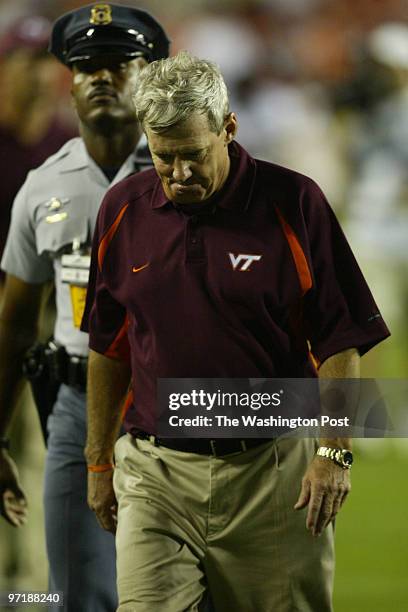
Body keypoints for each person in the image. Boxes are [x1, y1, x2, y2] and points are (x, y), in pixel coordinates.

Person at [82, 51, 390, 611]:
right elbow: (107, 344)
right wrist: (98, 459)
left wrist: (335, 454)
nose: (179, 175)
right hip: (155, 470)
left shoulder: (294, 202)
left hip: (272, 475)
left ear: (228, 129)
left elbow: (340, 338)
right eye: (162, 157)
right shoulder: (120, 211)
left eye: (194, 155)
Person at [0, 4, 169, 611]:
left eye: (119, 64)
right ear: (68, 83)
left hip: (174, 402)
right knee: (77, 595)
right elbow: (16, 323)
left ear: (151, 74)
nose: (101, 77)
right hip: (75, 407)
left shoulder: (193, 169)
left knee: (174, 595)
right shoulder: (44, 183)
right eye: (86, 66)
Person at [0, 15, 74, 284]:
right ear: (6, 66)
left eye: (46, 61)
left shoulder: (71, 146)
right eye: (29, 60)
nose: (39, 74)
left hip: (51, 298)